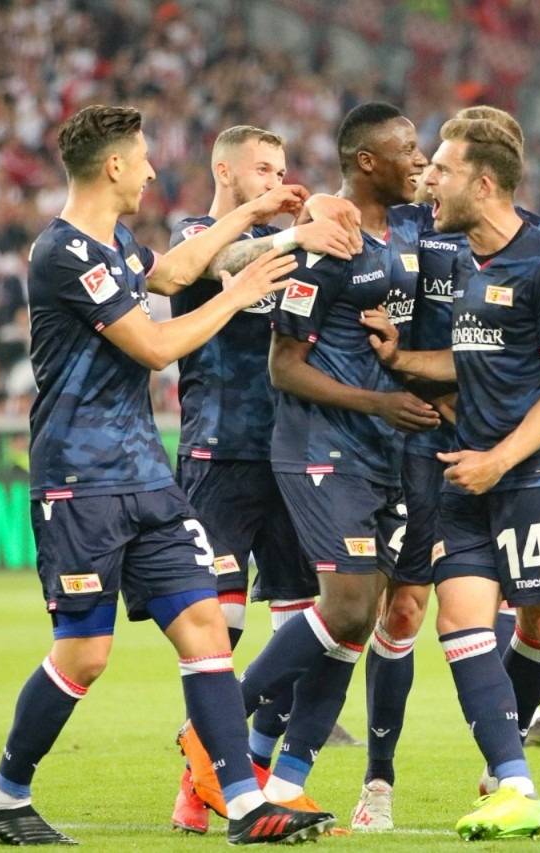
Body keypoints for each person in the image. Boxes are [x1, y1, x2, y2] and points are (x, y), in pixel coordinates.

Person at [0, 104, 333, 846]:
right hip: (80, 479)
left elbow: (172, 271)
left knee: (204, 627)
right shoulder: (63, 254)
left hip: (145, 477)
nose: (150, 171)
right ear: (113, 166)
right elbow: (155, 345)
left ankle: (243, 803)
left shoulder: (118, 245)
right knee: (86, 654)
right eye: (141, 159)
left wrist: (255, 215)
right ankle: (6, 796)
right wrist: (239, 292)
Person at [365, 116, 540, 840]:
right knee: (459, 621)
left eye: (444, 169)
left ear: (484, 184)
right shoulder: (465, 263)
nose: (431, 178)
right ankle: (515, 786)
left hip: (533, 473)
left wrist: (500, 460)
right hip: (468, 472)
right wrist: (399, 359)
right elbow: (471, 359)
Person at [188, 102, 437, 820]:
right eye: (407, 148)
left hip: (385, 453)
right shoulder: (310, 243)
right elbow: (283, 362)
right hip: (306, 449)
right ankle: (213, 731)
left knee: (350, 623)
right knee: (334, 609)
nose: (420, 160)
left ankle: (283, 780)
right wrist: (379, 401)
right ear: (367, 159)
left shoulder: (409, 232)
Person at [162, 124, 363, 834]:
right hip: (218, 453)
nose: (277, 181)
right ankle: (200, 783)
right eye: (263, 170)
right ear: (225, 171)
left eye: (282, 170)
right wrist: (296, 235)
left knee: (297, 624)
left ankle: (247, 773)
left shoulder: (290, 248)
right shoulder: (197, 235)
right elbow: (220, 263)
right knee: (219, 626)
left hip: (290, 453)